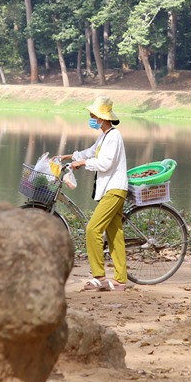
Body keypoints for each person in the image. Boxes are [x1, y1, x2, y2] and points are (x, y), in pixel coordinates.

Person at [54, 96, 129, 292]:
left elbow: (105, 163)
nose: (91, 117)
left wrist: (83, 163)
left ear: (103, 118)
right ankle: (120, 280)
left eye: (93, 115)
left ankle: (100, 277)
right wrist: (71, 157)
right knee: (114, 234)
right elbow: (91, 152)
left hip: (115, 189)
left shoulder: (114, 136)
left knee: (92, 230)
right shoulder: (104, 136)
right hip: (110, 189)